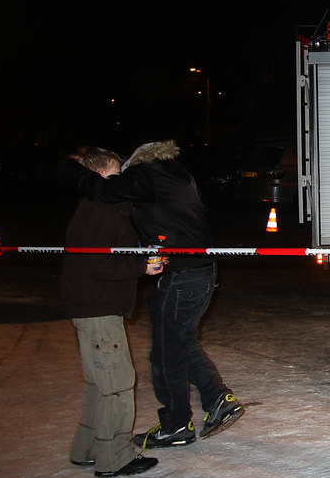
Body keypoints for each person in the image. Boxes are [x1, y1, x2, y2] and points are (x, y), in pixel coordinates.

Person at [57, 139, 244, 451]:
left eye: (122, 172)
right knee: (179, 340)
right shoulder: (175, 173)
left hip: (182, 275)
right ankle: (216, 399)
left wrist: (69, 168)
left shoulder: (144, 175)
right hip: (198, 269)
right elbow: (189, 213)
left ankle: (176, 424)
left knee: (165, 353)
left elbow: (105, 191)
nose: (121, 179)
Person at [62, 147, 163, 478]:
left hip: (93, 305)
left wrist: (141, 258)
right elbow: (97, 262)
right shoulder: (102, 207)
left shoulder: (97, 206)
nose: (124, 181)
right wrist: (142, 268)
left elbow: (104, 255)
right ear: (101, 175)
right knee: (117, 383)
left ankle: (87, 449)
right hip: (99, 308)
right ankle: (115, 457)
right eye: (118, 173)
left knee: (99, 384)